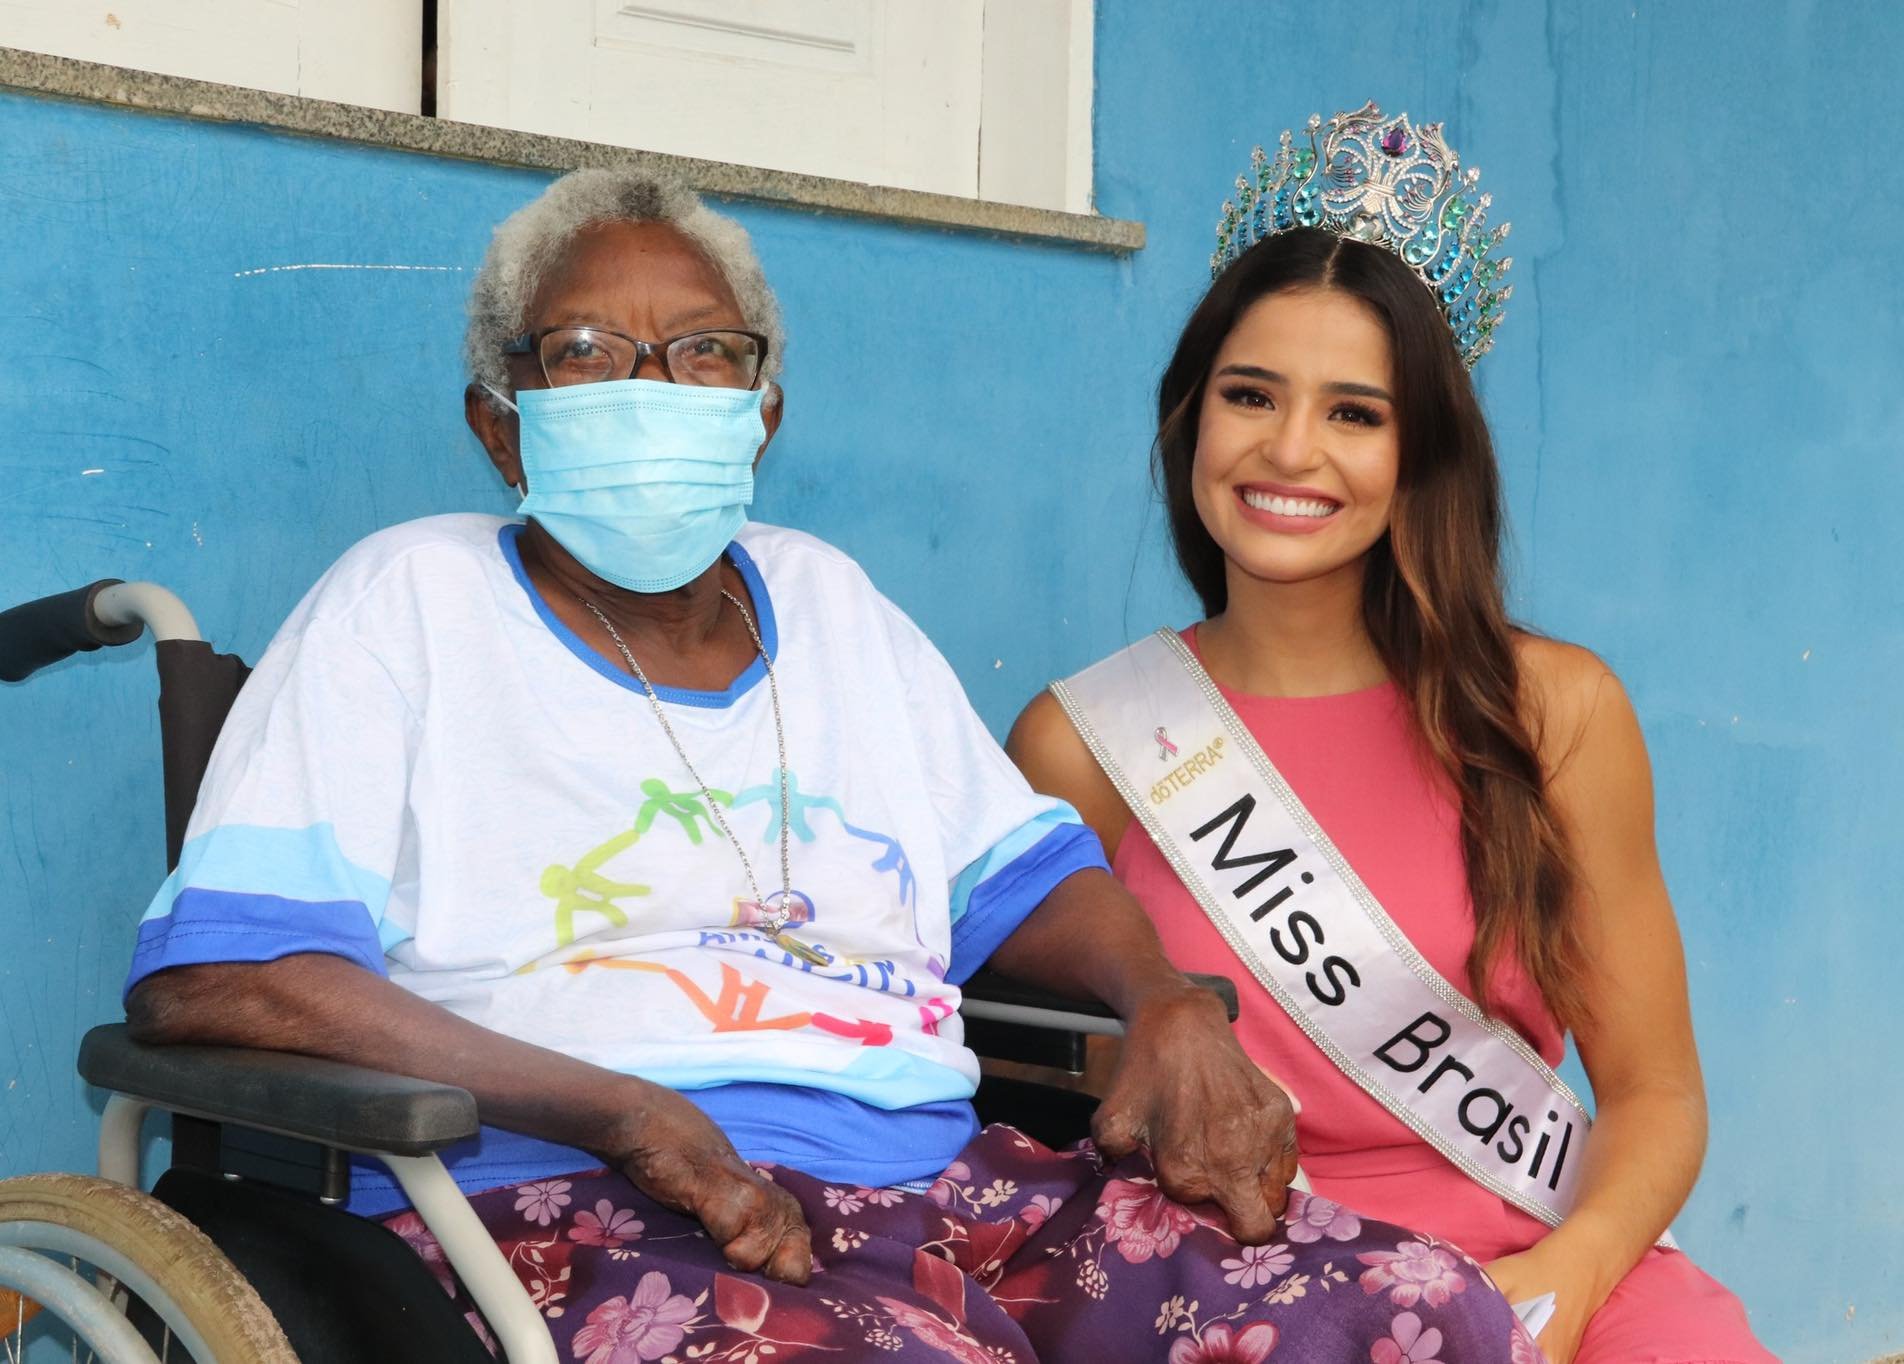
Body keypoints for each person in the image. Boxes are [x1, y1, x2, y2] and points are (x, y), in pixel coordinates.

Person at [121, 167, 1532, 1362]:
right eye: (587, 351)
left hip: (948, 1186)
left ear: (764, 414)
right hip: (571, 1197)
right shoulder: (407, 602)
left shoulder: (834, 605)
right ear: (501, 423)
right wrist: (615, 1107)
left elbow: (1025, 878)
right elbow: (222, 977)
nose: (651, 387)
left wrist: (1164, 1002)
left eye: (704, 353)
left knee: (1415, 1311)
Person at [1009, 104, 1777, 1364]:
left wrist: (1566, 1275)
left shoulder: (1554, 713)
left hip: (1539, 1249)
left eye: (1354, 412)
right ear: (1191, 414)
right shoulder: (1082, 742)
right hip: (1240, 1284)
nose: (1290, 449)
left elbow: (1655, 1094)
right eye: (1250, 394)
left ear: (1421, 448)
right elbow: (1034, 1105)